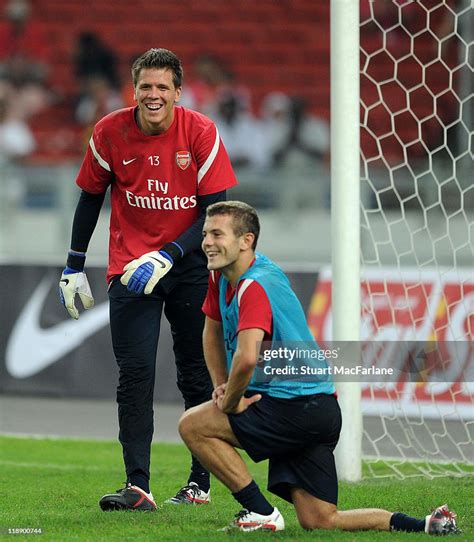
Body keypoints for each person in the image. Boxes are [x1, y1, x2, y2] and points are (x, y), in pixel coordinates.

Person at [178, 201, 460, 534]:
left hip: (294, 406)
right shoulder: (222, 275)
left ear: (246, 240)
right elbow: (211, 329)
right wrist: (221, 384)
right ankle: (427, 525)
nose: (207, 242)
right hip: (319, 408)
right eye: (206, 233)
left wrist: (230, 401)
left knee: (193, 426)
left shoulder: (254, 285)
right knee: (321, 520)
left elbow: (248, 356)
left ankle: (261, 513)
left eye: (217, 234)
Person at [58, 48, 238, 511]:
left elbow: (214, 213)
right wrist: (74, 264)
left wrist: (172, 253)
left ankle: (200, 483)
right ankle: (138, 485)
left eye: (162, 87)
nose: (153, 95)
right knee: (134, 376)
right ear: (133, 91)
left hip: (192, 266)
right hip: (131, 270)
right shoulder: (109, 132)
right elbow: (89, 199)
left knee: (195, 373)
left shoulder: (200, 132)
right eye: (145, 87)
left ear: (178, 92)